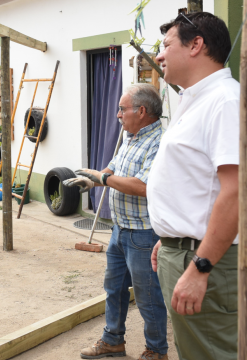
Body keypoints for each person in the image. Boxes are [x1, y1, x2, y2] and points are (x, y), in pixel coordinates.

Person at [147, 12, 239, 360]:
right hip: (186, 250)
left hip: (205, 261)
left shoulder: (224, 101)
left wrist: (200, 265)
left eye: (167, 45)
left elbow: (236, 192)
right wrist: (172, 237)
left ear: (196, 45)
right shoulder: (195, 100)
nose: (159, 55)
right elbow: (198, 184)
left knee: (212, 352)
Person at [64, 83, 168, 360]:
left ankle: (157, 351)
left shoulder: (159, 142)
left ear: (142, 111)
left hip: (143, 233)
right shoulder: (132, 136)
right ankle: (113, 341)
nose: (118, 115)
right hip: (120, 229)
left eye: (122, 109)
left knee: (148, 297)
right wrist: (95, 179)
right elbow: (113, 166)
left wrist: (102, 178)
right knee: (114, 289)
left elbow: (143, 186)